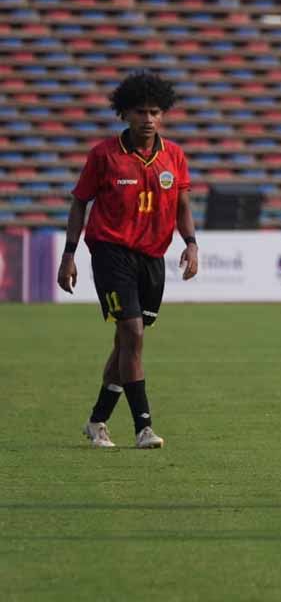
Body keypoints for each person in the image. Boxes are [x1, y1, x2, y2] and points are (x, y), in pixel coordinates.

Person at [57, 71, 199, 449]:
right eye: (140, 111)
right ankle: (144, 427)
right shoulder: (104, 155)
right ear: (125, 114)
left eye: (154, 111)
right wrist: (68, 255)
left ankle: (97, 421)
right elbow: (79, 203)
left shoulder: (174, 156)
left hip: (152, 257)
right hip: (110, 252)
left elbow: (183, 204)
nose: (148, 119)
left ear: (163, 114)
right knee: (132, 334)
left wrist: (191, 243)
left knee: (126, 343)